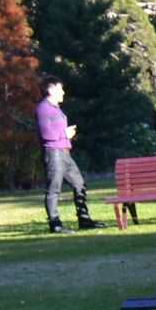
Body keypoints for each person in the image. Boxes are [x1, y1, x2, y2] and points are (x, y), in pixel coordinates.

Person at [35, 78, 98, 234]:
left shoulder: (56, 109)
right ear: (51, 90)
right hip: (54, 154)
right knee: (54, 189)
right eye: (60, 89)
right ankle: (55, 224)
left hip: (65, 153)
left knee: (79, 184)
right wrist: (65, 133)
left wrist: (66, 135)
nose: (63, 92)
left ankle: (84, 219)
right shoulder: (43, 109)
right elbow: (45, 134)